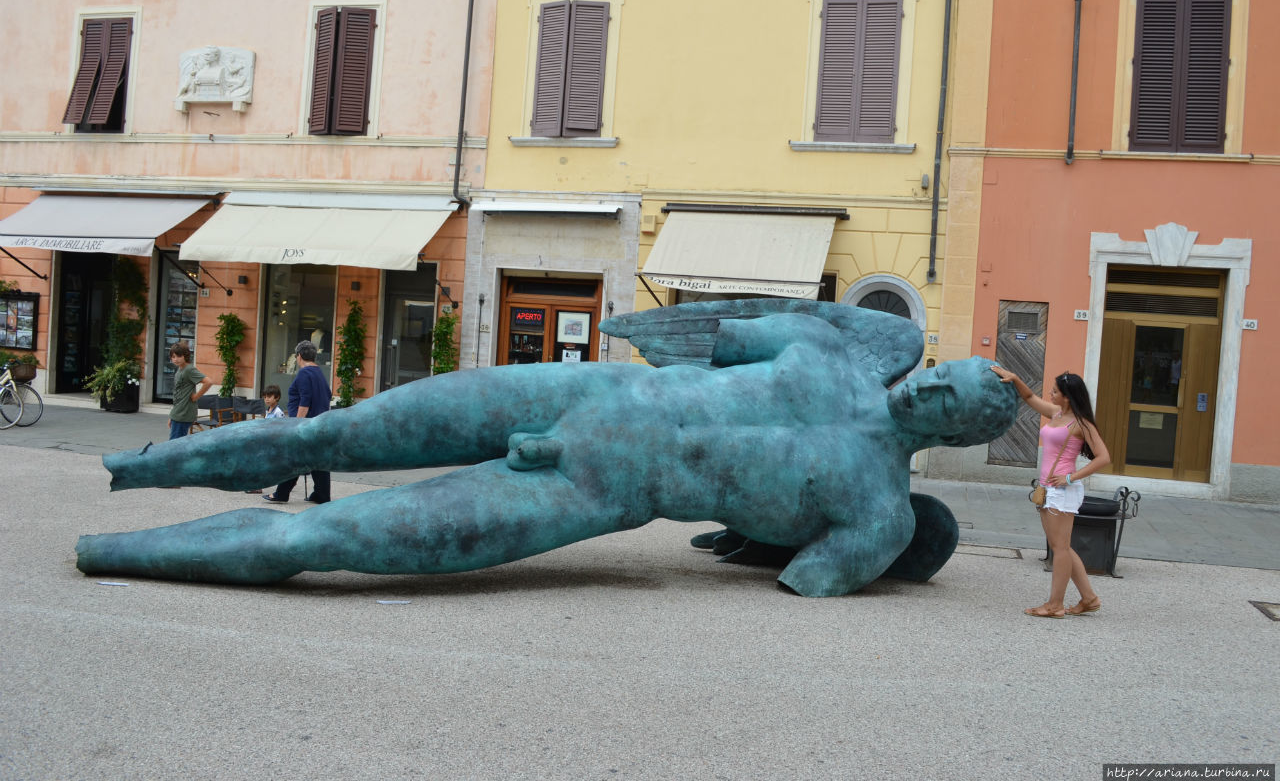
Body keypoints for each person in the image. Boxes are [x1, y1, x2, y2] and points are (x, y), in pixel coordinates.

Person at [79, 302, 1018, 597]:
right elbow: (711, 332)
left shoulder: (879, 511)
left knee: (326, 544)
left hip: (598, 486)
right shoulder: (831, 353)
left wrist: (899, 550)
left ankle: (110, 555)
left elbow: (811, 579)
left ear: (960, 436)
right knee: (329, 430)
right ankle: (140, 468)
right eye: (948, 369)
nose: (933, 385)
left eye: (957, 400)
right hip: (581, 390)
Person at [989, 365, 1111, 618]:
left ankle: (1055, 605)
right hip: (1048, 488)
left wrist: (1070, 477)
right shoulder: (1056, 413)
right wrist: (1016, 378)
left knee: (1061, 548)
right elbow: (1029, 398)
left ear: (1067, 396)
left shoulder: (1081, 423)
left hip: (1062, 490)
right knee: (1062, 546)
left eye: (1055, 391)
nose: (1051, 394)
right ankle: (1089, 598)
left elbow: (1103, 458)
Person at [263, 341, 331, 504]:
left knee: (293, 459)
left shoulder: (304, 373)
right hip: (319, 422)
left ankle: (281, 493)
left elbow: (305, 402)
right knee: (317, 460)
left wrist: (297, 425)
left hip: (305, 424)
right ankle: (321, 494)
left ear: (298, 356)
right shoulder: (318, 372)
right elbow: (327, 395)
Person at [167, 342, 213, 441]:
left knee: (175, 445)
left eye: (179, 356)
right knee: (175, 443)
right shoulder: (180, 369)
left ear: (185, 356)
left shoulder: (189, 369)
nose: (176, 359)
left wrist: (196, 397)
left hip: (184, 413)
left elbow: (208, 382)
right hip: (178, 413)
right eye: (173, 356)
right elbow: (178, 394)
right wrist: (172, 416)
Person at [244, 385, 285, 495]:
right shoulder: (268, 411)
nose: (266, 399)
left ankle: (258, 486)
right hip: (265, 442)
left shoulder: (278, 412)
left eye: (269, 396)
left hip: (272, 443)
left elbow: (281, 428)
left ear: (277, 397)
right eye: (265, 397)